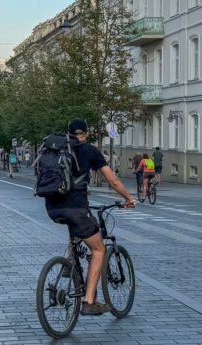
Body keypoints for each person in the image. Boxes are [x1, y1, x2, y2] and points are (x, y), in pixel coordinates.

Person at [43, 119, 135, 316]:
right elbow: (113, 180)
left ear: (68, 133)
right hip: (76, 207)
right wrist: (128, 198)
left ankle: (70, 264)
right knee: (99, 249)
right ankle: (89, 301)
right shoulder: (89, 150)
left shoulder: (56, 149)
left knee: (77, 230)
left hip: (52, 207)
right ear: (86, 132)